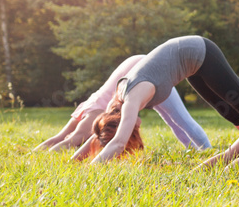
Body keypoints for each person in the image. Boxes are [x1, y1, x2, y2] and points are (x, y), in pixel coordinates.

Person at [79, 36, 239, 164]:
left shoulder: (130, 101)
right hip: (192, 64)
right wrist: (76, 160)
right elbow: (101, 133)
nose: (136, 127)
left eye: (132, 129)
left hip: (200, 52)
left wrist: (91, 171)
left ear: (123, 123)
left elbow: (118, 142)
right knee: (232, 114)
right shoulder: (116, 104)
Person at [35, 55, 211, 153]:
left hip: (95, 99)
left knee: (63, 136)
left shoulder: (116, 104)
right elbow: (79, 143)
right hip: (134, 71)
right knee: (73, 138)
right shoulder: (103, 114)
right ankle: (203, 149)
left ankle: (34, 154)